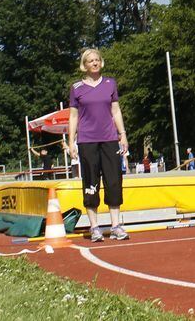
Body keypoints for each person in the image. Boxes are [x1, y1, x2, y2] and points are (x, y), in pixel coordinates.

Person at [67, 48, 130, 243]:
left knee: (113, 182)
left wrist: (123, 134)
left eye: (97, 60)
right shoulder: (76, 88)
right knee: (91, 183)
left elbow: (116, 111)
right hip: (87, 141)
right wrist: (71, 142)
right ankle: (95, 227)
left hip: (110, 139)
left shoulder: (110, 84)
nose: (94, 63)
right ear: (84, 65)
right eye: (90, 61)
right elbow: (73, 116)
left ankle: (116, 226)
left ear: (101, 62)